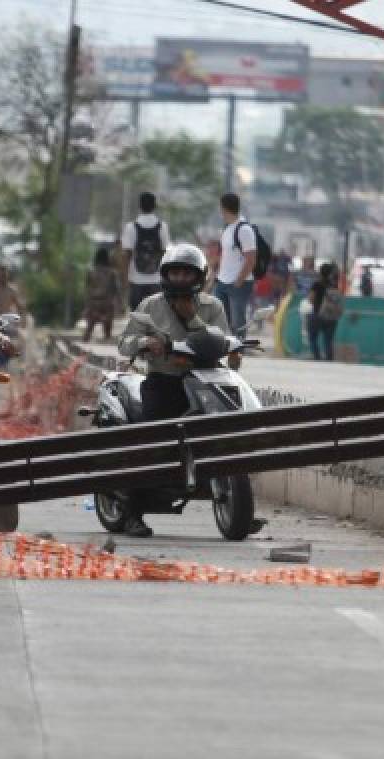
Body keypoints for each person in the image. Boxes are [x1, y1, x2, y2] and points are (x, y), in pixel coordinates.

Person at [118, 243, 234, 538]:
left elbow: (222, 341)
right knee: (149, 437)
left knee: (230, 426)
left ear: (200, 276)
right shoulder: (149, 306)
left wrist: (192, 318)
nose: (181, 279)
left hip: (204, 380)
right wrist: (145, 344)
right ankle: (132, 511)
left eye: (187, 273)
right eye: (176, 272)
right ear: (165, 275)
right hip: (164, 381)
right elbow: (124, 343)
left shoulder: (213, 307)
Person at [214, 192, 256, 337]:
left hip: (238, 283)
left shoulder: (244, 230)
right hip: (222, 282)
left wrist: (238, 281)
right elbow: (225, 257)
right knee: (218, 319)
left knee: (237, 322)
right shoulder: (227, 229)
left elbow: (251, 259)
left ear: (224, 208)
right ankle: (223, 348)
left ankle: (238, 350)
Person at [120, 191, 171, 310]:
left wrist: (124, 279)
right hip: (157, 280)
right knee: (156, 317)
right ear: (155, 206)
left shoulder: (131, 227)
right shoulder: (162, 227)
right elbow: (166, 253)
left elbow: (126, 255)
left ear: (139, 206)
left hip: (136, 280)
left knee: (137, 317)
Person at [83, 246, 120, 342]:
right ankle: (106, 345)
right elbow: (115, 290)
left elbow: (87, 289)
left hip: (93, 303)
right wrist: (118, 304)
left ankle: (83, 348)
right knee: (107, 330)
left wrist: (87, 304)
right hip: (107, 303)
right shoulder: (112, 273)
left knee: (89, 328)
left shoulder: (91, 271)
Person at [308, 263, 342, 361]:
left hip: (317, 315)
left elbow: (311, 299)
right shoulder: (334, 285)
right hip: (331, 317)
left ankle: (317, 357)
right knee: (328, 340)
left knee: (313, 338)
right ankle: (329, 359)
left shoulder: (317, 284)